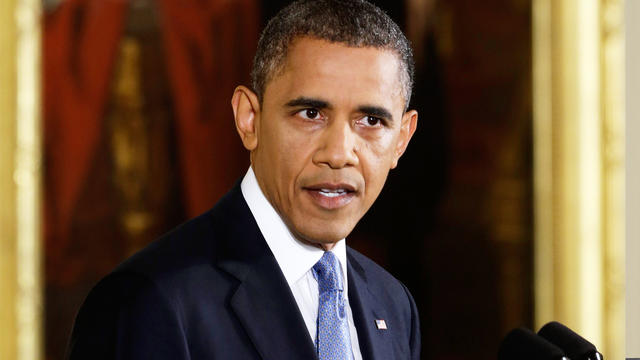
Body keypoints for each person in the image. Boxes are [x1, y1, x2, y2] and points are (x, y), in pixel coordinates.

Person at [67, 0, 420, 359]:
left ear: (402, 140)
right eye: (311, 114)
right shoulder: (146, 301)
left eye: (371, 121)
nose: (339, 153)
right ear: (249, 119)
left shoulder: (393, 304)